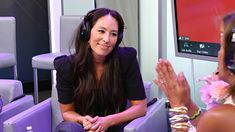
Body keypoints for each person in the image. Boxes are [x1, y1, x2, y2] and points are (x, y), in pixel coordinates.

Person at [54, 8, 147, 132]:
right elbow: (67, 112)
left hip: (115, 125)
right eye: (101, 31)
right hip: (83, 128)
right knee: (67, 128)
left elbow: (140, 107)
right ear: (86, 32)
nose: (107, 39)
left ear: (118, 38)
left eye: (113, 34)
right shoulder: (67, 66)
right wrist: (82, 120)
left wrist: (108, 121)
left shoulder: (126, 60)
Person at [154, 11, 235, 132]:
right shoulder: (219, 117)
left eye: (221, 46)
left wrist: (177, 107)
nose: (218, 53)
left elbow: (215, 122)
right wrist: (188, 104)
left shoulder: (220, 117)